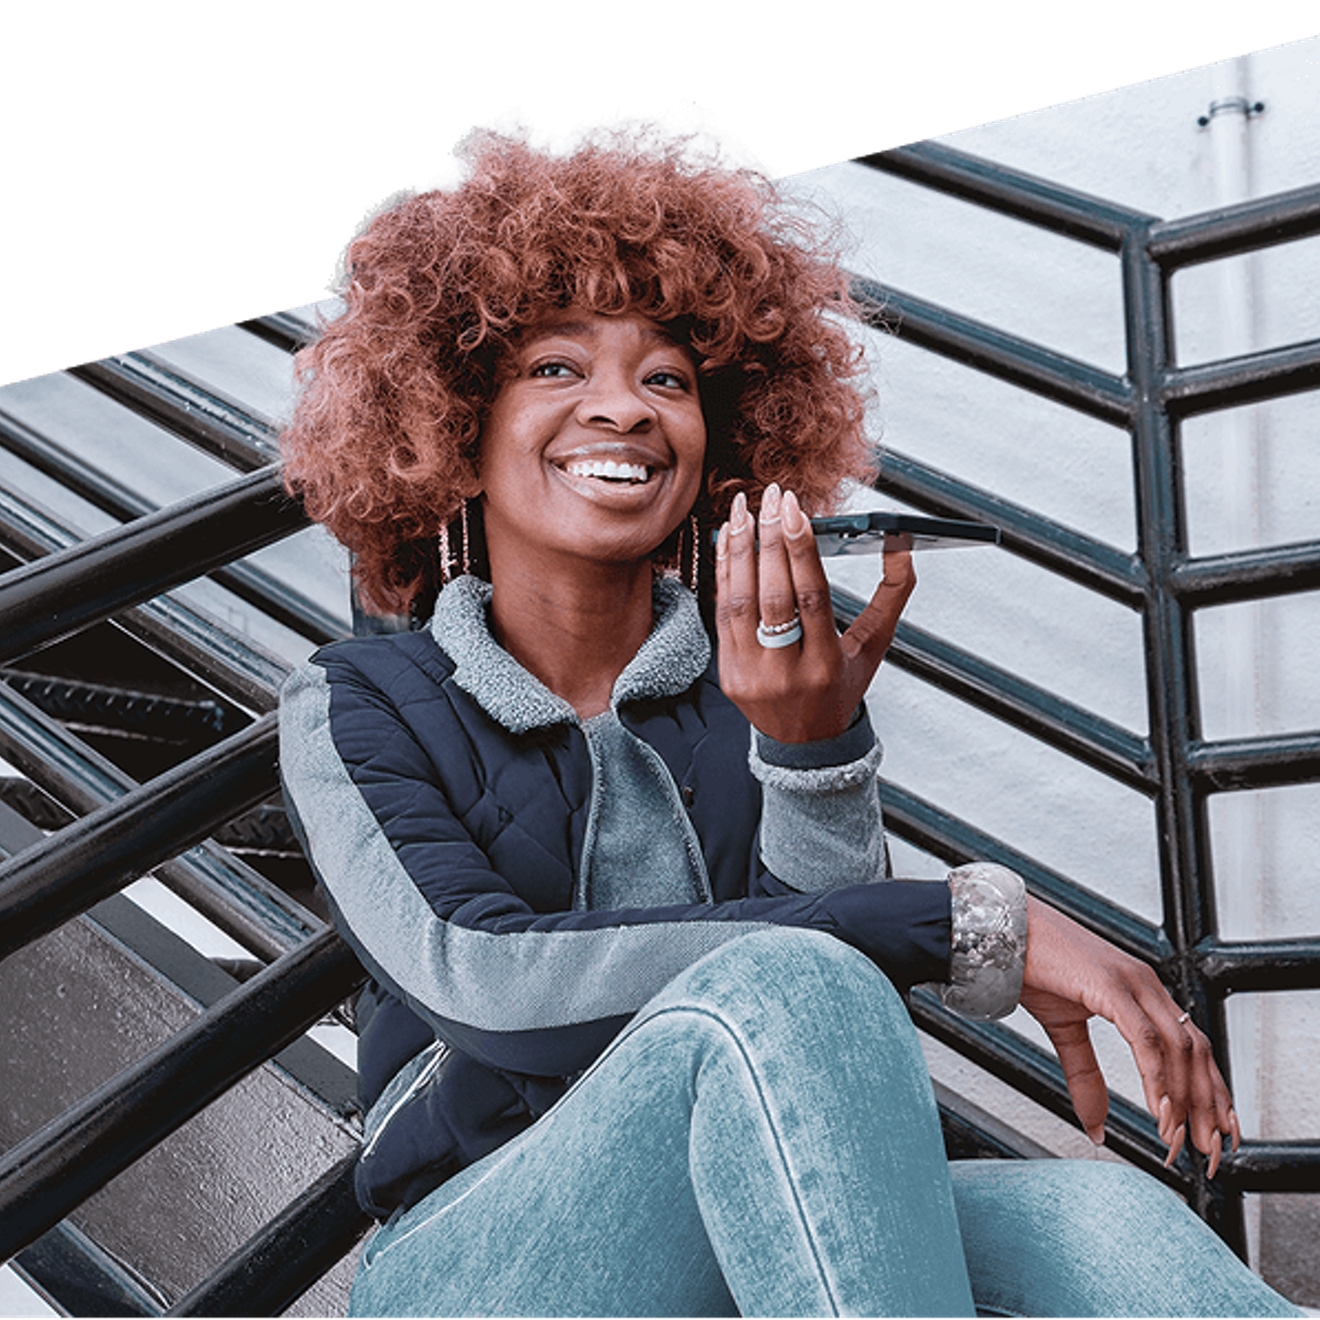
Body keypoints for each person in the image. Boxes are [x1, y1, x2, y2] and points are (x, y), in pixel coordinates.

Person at [277, 129, 1299, 1317]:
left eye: (669, 380)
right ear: (454, 428)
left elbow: (830, 1025)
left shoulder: (750, 685)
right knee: (782, 980)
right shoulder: (357, 700)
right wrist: (964, 927)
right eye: (557, 367)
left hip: (740, 1192)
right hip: (481, 1256)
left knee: (1106, 1219)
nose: (624, 407)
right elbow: (482, 975)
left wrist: (813, 752)